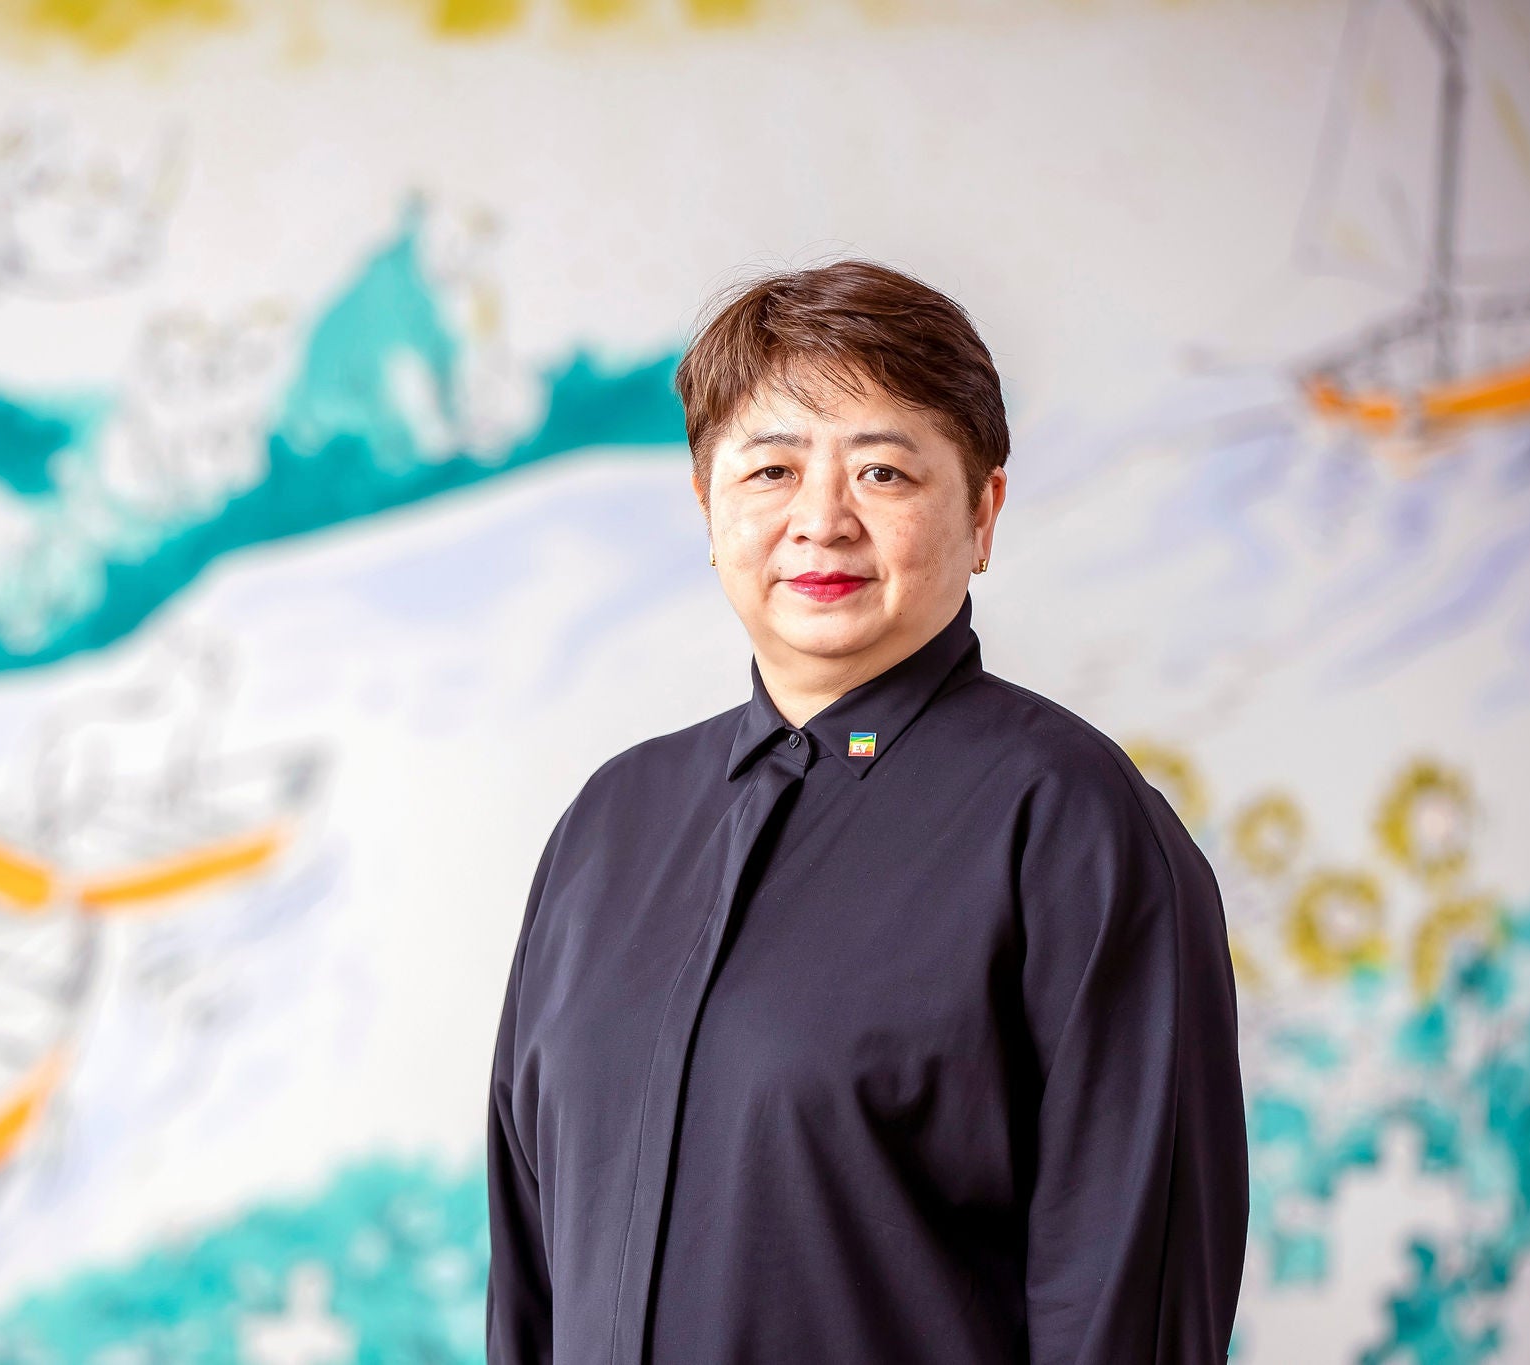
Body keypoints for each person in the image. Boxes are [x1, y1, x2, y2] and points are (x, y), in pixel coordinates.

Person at [484, 258, 1248, 1364]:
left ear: (982, 512)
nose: (821, 522)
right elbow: (528, 1274)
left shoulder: (1071, 827)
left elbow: (1130, 1312)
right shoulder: (608, 828)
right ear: (707, 508)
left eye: (883, 472)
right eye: (771, 470)